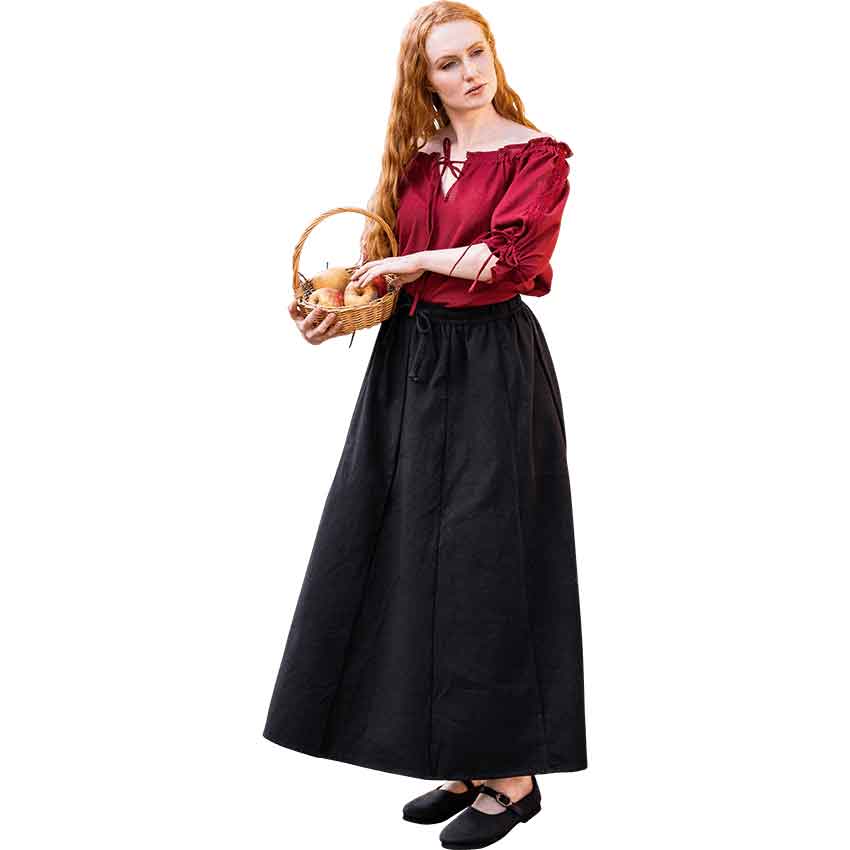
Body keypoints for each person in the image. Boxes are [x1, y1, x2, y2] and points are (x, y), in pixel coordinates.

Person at [266, 4, 587, 847]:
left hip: (490, 368)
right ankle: (465, 759)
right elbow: (389, 273)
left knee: (486, 562)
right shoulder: (417, 159)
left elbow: (509, 260)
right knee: (412, 555)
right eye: (449, 63)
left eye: (476, 53)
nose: (469, 72)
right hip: (410, 361)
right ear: (426, 79)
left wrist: (409, 262)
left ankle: (513, 778)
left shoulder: (536, 156)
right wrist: (339, 310)